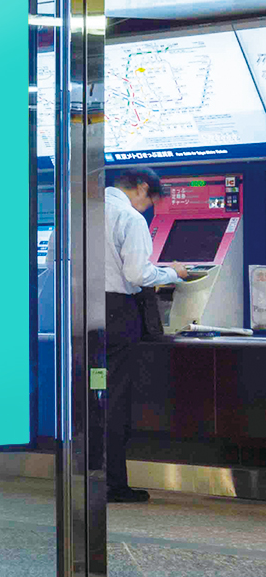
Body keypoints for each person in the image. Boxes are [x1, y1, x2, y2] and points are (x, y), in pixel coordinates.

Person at [105, 168, 195, 504]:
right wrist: (175, 272)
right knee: (113, 398)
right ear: (142, 188)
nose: (148, 210)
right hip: (116, 314)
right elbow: (137, 273)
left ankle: (82, 477)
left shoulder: (78, 212)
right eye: (151, 202)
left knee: (84, 397)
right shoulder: (129, 217)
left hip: (77, 313)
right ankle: (113, 484)